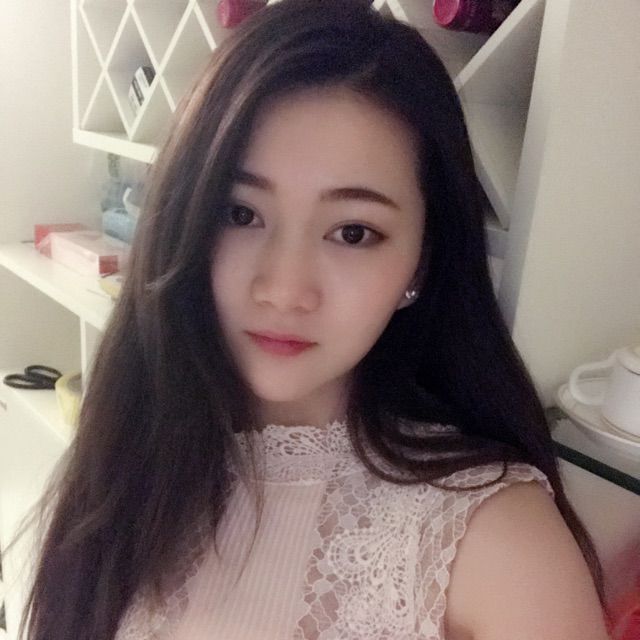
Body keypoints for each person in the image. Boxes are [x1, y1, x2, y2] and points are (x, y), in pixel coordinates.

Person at [13, 0, 612, 638]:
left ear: (421, 262)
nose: (284, 289)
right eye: (241, 214)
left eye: (353, 232)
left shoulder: (494, 542)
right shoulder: (132, 457)